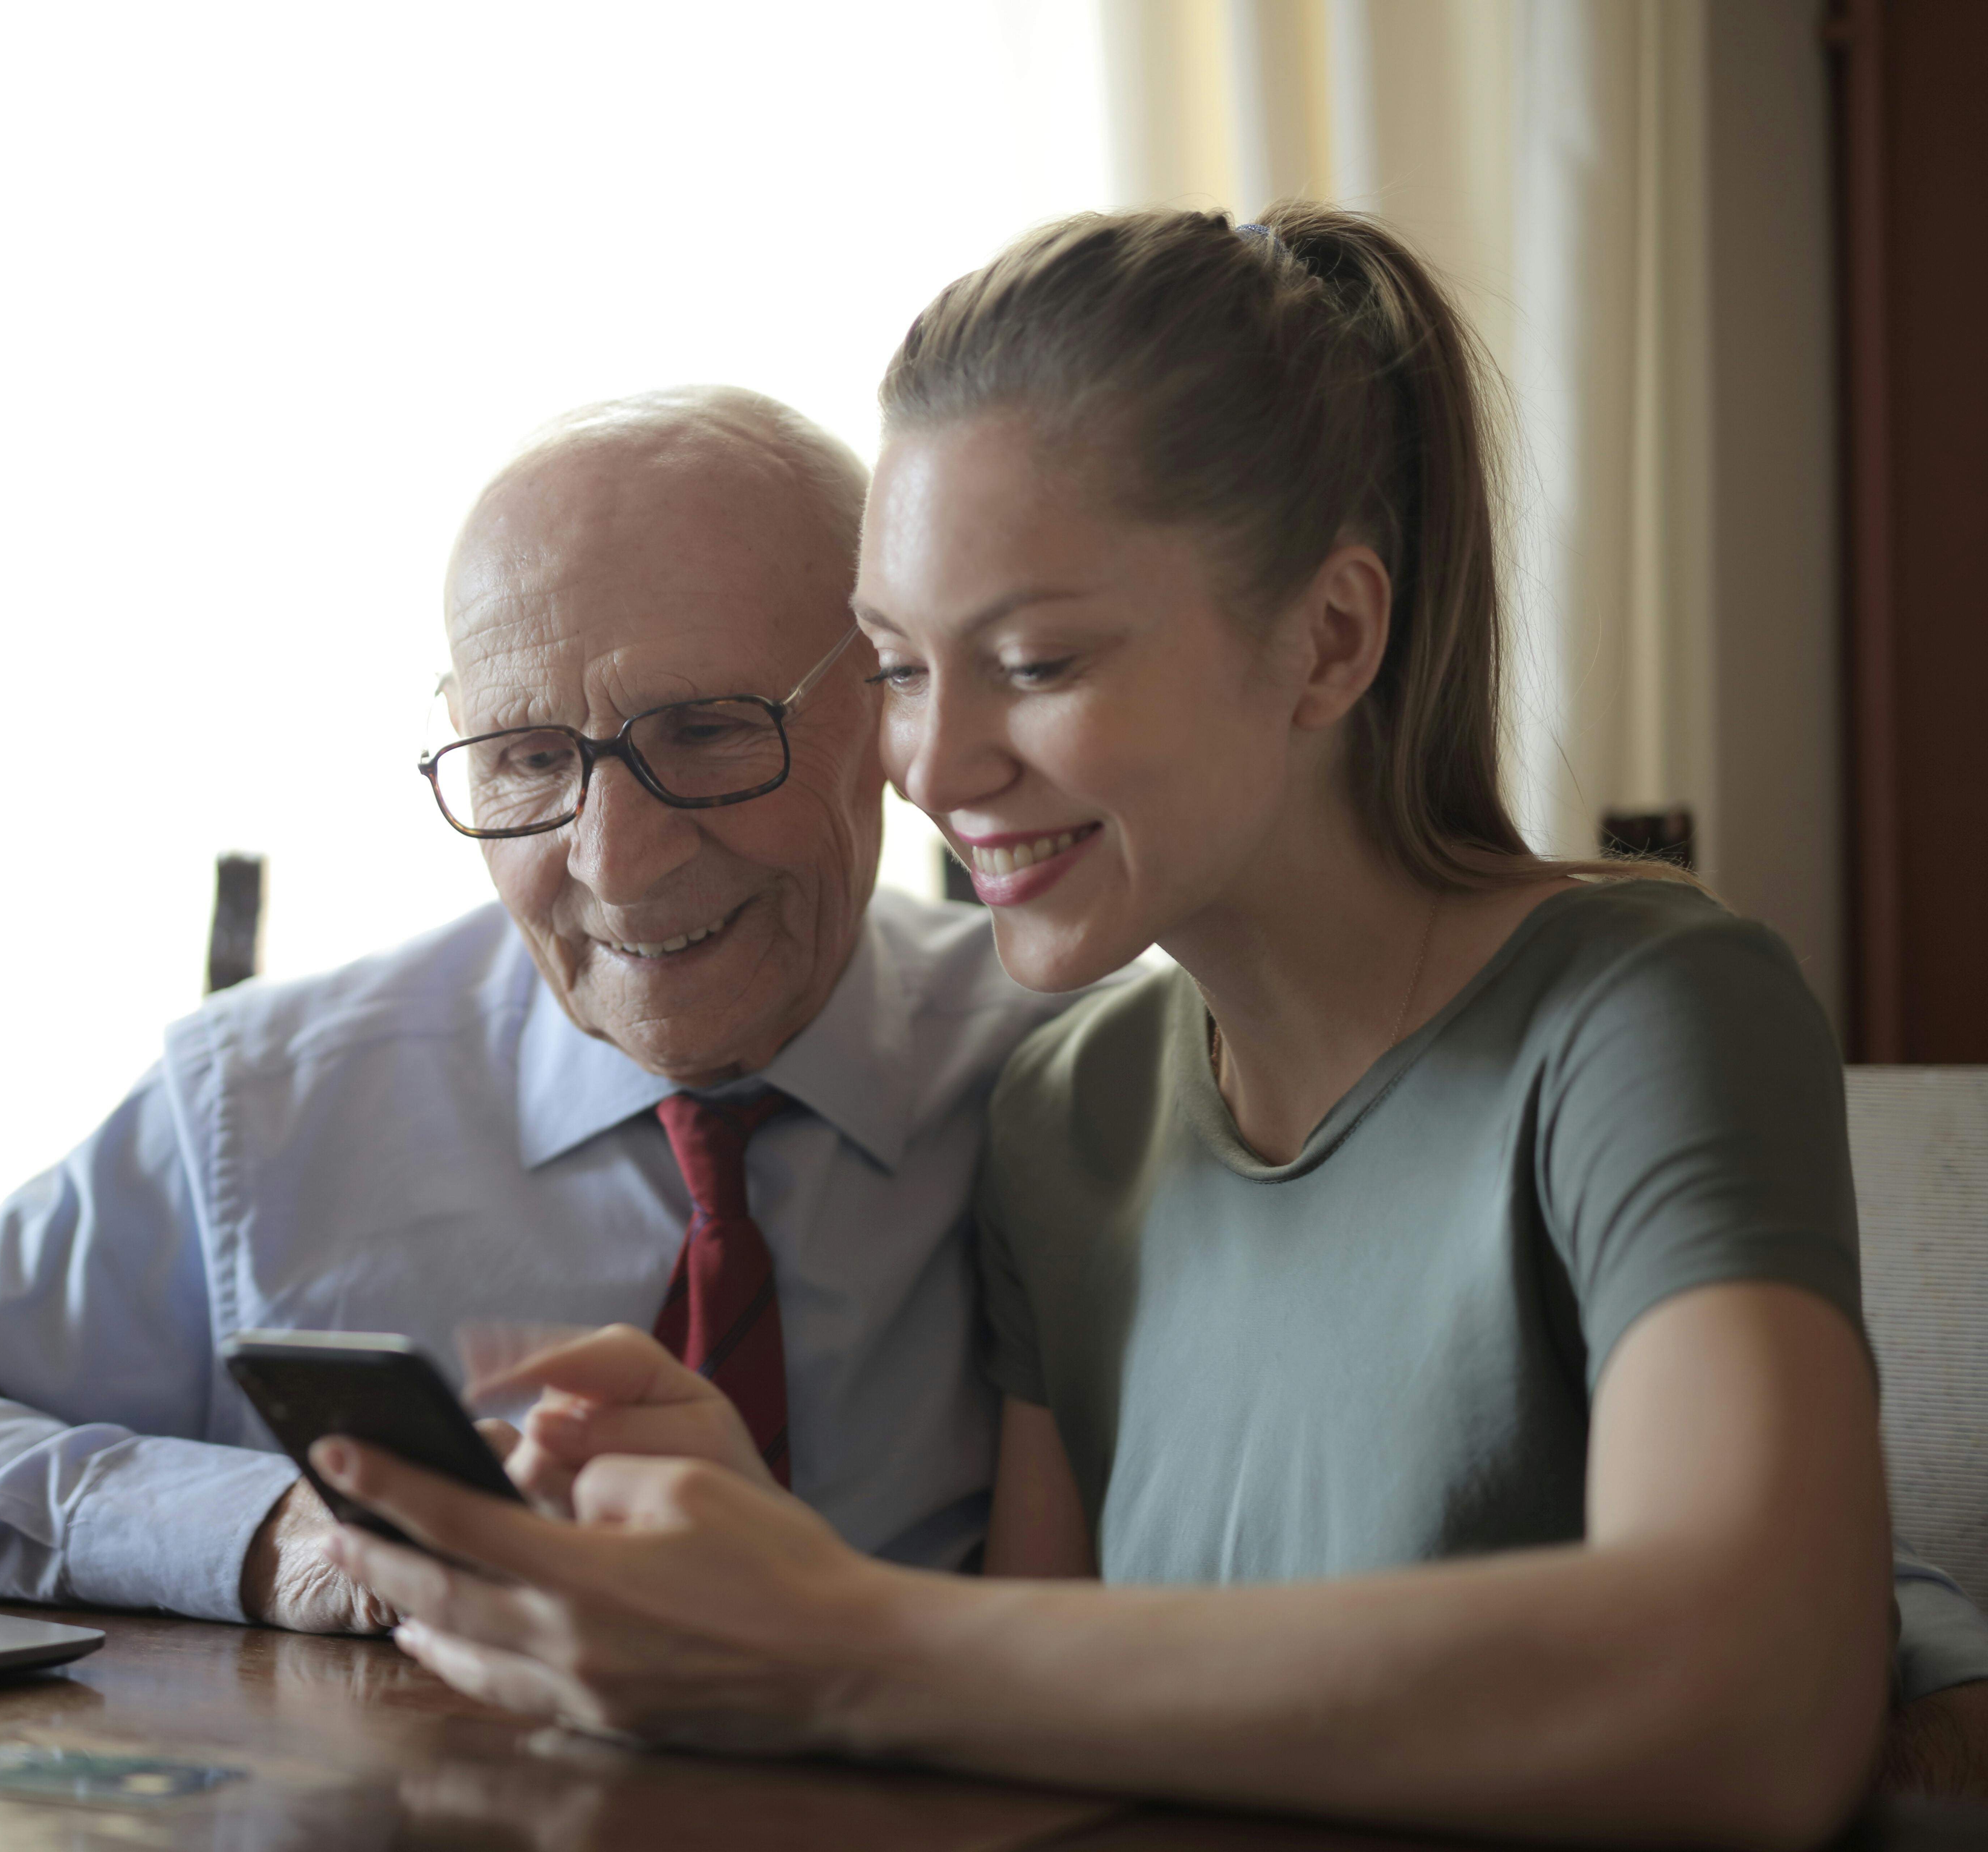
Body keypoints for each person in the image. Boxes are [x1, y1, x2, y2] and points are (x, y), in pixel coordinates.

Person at [311, 206, 1969, 1844]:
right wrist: (755, 1564)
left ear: (1331, 637)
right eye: (895, 666)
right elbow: (1041, 1738)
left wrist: (828, 1630)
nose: (936, 770)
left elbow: (1760, 1702)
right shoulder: (1071, 1110)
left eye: (1033, 661)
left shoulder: (1643, 1011)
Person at [0, 387, 1088, 1631]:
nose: (615, 859)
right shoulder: (274, 1107)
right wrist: (266, 1532)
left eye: (710, 732)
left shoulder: (1087, 1082)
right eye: (530, 759)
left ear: (891, 706)